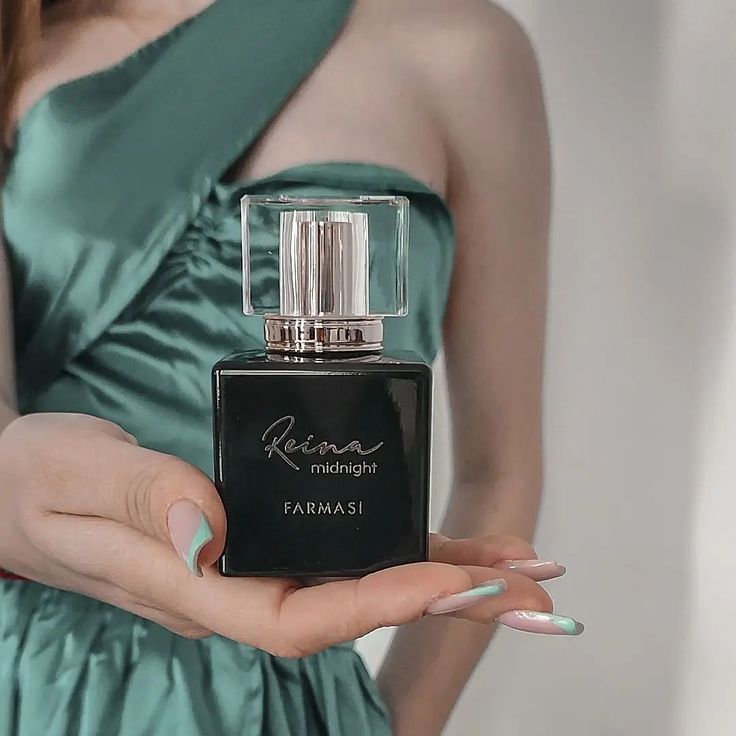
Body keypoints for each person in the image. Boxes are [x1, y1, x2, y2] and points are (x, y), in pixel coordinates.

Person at [0, 1, 582, 734]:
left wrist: (400, 723)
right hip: (29, 671)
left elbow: (497, 469)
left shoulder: (462, 50)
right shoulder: (19, 42)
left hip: (294, 694)